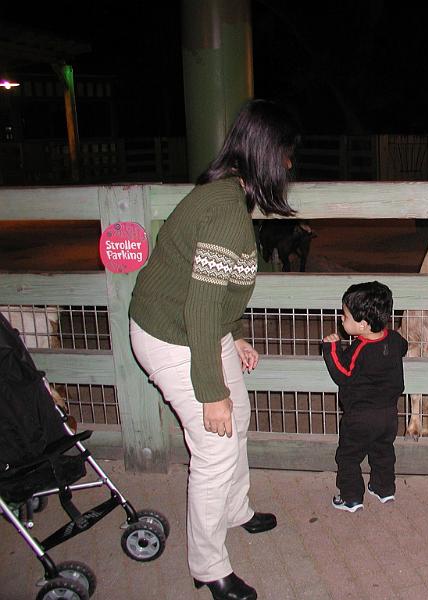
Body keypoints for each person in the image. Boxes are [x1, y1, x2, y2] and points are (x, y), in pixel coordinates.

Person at [129, 99, 299, 600]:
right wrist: (210, 392)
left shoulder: (227, 195)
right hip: (169, 334)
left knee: (238, 415)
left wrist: (237, 332)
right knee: (215, 446)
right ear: (268, 155)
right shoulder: (224, 209)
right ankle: (207, 566)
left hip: (195, 325)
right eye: (287, 155)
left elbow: (216, 290)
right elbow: (200, 310)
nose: (290, 165)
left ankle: (236, 509)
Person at [321, 281, 408, 512]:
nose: (341, 319)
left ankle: (351, 498)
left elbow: (343, 374)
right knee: (383, 451)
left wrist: (331, 349)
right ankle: (384, 488)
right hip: (389, 415)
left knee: (348, 456)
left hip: (359, 417)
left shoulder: (358, 348)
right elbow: (404, 346)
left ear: (363, 324)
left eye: (345, 316)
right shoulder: (393, 339)